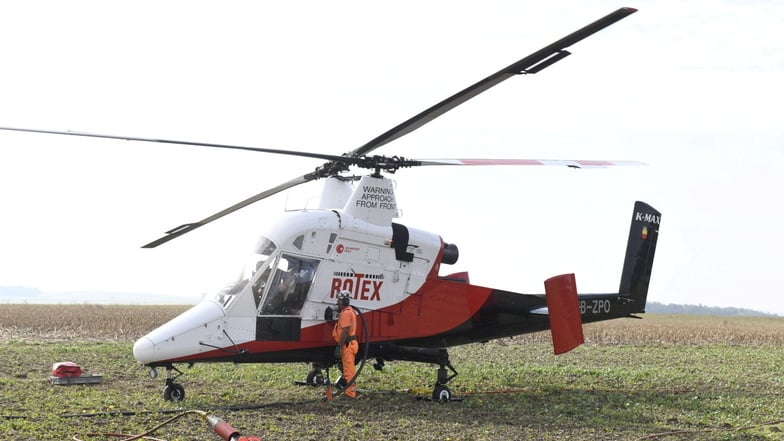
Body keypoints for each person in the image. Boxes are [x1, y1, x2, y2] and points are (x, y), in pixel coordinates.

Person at [332, 290, 358, 399]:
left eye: (339, 300)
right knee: (347, 370)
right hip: (348, 344)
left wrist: (340, 345)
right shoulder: (348, 311)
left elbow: (345, 330)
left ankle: (350, 394)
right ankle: (348, 392)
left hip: (347, 345)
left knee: (349, 371)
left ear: (344, 301)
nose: (337, 303)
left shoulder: (347, 313)